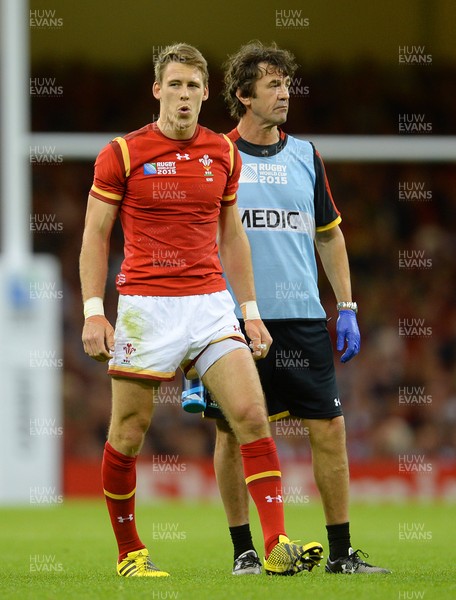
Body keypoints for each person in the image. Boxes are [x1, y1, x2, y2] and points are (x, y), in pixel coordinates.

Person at [79, 42, 323, 578]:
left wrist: (251, 310)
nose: (184, 94)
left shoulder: (222, 153)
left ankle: (277, 545)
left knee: (252, 415)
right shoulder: (121, 153)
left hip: (212, 303)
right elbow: (95, 236)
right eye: (175, 84)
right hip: (146, 305)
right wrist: (95, 311)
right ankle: (130, 553)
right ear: (157, 89)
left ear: (206, 93)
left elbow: (232, 237)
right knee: (128, 431)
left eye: (193, 85)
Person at [195, 41, 390, 576]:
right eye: (273, 85)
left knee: (329, 428)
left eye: (287, 83)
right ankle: (244, 552)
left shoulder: (306, 155)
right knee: (233, 434)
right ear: (243, 95)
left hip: (302, 317)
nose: (285, 93)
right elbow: (195, 237)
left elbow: (330, 236)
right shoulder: (217, 155)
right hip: (235, 319)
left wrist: (345, 305)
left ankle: (342, 553)